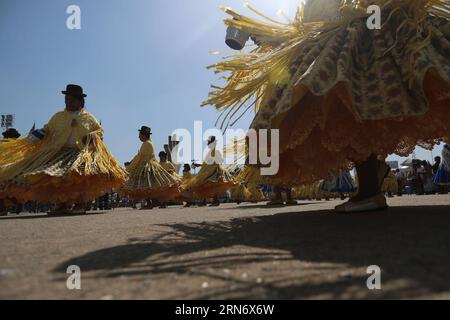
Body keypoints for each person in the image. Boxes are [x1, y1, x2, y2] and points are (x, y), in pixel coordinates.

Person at [203, 0, 450, 212]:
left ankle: (370, 187)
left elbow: (312, 26)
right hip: (341, 30)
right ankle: (371, 176)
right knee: (361, 101)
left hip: (345, 31)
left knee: (348, 103)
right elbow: (304, 30)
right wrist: (263, 35)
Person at [0, 84, 127, 214]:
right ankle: (62, 204)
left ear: (79, 101)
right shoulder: (58, 117)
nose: (67, 102)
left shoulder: (88, 118)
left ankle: (79, 204)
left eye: (71, 100)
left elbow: (99, 132)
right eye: (66, 100)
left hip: (80, 154)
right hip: (59, 153)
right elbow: (48, 129)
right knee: (57, 177)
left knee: (77, 176)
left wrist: (91, 137)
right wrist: (34, 137)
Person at [121, 126, 182, 209]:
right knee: (149, 185)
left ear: (144, 135)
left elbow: (139, 157)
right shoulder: (149, 143)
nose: (138, 137)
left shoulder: (146, 144)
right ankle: (152, 202)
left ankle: (150, 203)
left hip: (146, 166)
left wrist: (129, 168)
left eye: (140, 135)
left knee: (144, 185)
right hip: (150, 165)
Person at [181, 136, 237, 206]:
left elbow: (220, 161)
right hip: (206, 172)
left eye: (209, 142)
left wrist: (214, 163)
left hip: (214, 171)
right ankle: (206, 201)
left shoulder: (216, 151)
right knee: (205, 185)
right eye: (208, 142)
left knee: (211, 185)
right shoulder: (209, 153)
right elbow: (206, 164)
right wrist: (198, 165)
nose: (207, 144)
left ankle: (213, 201)